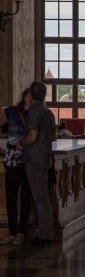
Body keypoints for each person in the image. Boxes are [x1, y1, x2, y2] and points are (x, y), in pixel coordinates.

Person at [16, 82, 56, 246]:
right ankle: (47, 233)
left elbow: (32, 137)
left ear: (31, 96)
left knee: (40, 198)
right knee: (43, 196)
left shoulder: (34, 112)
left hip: (34, 159)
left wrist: (21, 143)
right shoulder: (49, 112)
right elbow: (54, 137)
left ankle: (46, 235)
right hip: (46, 158)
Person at [0, 88, 32, 245]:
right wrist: (5, 136)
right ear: (24, 96)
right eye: (29, 95)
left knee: (26, 196)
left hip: (29, 159)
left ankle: (21, 232)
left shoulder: (36, 113)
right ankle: (12, 232)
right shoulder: (11, 112)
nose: (31, 98)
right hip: (12, 158)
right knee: (11, 196)